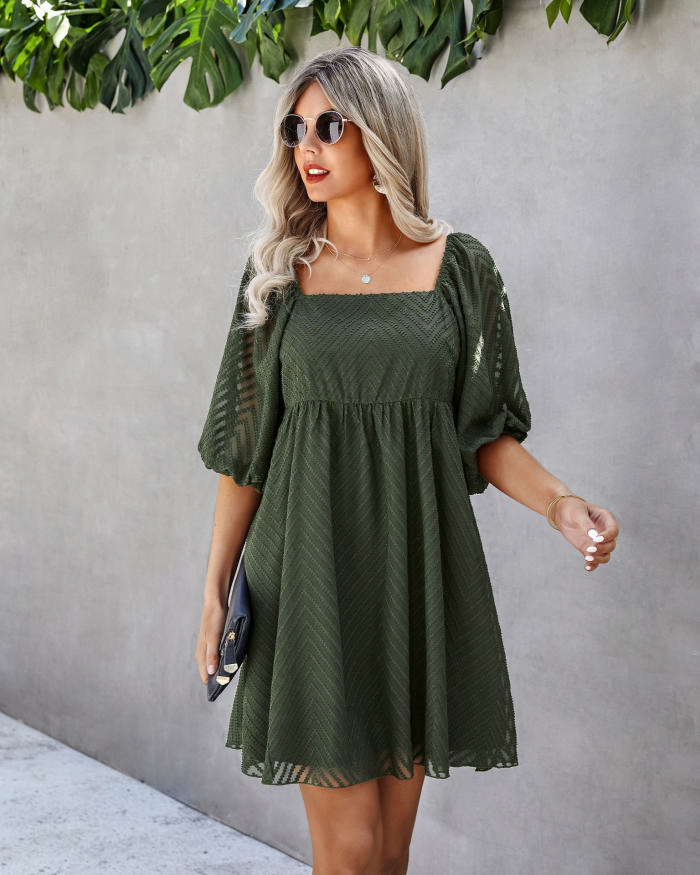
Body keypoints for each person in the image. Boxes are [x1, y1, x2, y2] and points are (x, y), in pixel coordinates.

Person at [195, 45, 618, 875]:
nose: (306, 147)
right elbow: (244, 452)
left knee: (390, 851)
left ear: (381, 132)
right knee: (350, 852)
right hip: (310, 575)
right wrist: (213, 590)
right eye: (294, 130)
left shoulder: (462, 269)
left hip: (416, 573)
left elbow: (483, 434)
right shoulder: (277, 276)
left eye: (329, 126)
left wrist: (561, 504)